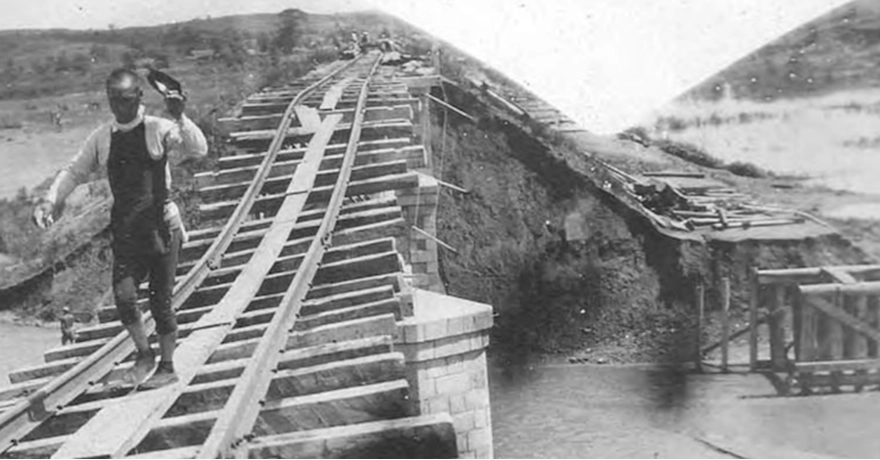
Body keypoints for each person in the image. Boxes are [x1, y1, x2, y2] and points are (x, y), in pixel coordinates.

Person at [33, 68, 207, 389]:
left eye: (127, 100)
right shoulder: (102, 138)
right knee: (125, 297)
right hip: (127, 229)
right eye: (115, 101)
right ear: (109, 100)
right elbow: (75, 171)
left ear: (139, 97)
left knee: (161, 302)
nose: (121, 107)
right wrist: (50, 200)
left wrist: (180, 116)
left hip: (162, 226)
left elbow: (197, 149)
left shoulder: (158, 128)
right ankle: (144, 353)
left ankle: (168, 366)